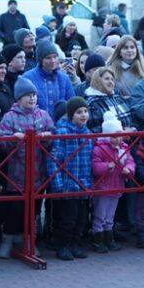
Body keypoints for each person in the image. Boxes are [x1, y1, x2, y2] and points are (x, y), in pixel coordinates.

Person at [0, 77, 55, 257]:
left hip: (39, 172)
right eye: (28, 95)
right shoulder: (9, 117)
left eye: (34, 95)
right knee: (14, 209)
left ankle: (30, 240)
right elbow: (2, 141)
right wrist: (13, 139)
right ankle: (7, 240)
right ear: (18, 98)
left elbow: (53, 135)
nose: (32, 99)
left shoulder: (43, 115)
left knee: (35, 209)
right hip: (16, 173)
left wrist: (47, 136)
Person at [43, 96, 94, 261]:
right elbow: (55, 159)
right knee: (68, 219)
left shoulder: (88, 133)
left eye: (86, 111)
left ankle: (75, 244)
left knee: (81, 218)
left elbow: (90, 160)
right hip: (68, 183)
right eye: (79, 112)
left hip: (83, 182)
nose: (83, 115)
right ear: (71, 114)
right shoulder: (62, 132)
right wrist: (57, 184)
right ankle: (63, 245)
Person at [89, 108, 135, 253]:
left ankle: (109, 238)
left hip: (117, 186)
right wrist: (106, 167)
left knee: (110, 215)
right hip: (103, 188)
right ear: (108, 135)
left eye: (120, 135)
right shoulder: (99, 148)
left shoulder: (124, 148)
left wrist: (129, 169)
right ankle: (97, 239)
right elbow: (95, 166)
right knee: (100, 215)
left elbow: (130, 161)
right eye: (115, 136)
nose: (118, 139)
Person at [23, 41, 74, 119]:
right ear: (40, 60)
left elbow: (72, 104)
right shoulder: (28, 78)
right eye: (48, 58)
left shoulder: (64, 79)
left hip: (61, 127)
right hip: (36, 125)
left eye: (55, 57)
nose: (53, 61)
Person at [85, 67, 132, 132]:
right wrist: (119, 133)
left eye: (112, 79)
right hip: (106, 141)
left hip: (131, 140)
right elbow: (94, 129)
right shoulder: (91, 102)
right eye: (107, 79)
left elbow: (132, 120)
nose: (111, 82)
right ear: (97, 80)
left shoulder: (118, 98)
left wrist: (132, 130)